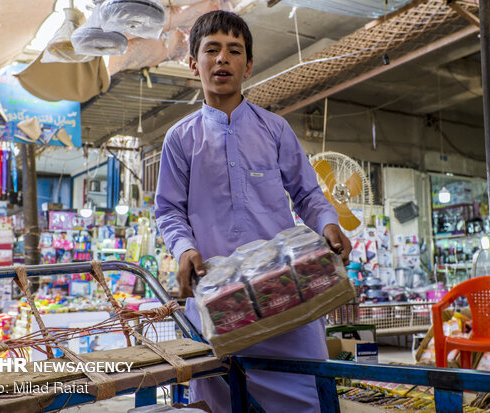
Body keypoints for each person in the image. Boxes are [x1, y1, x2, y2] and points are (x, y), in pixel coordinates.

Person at [154, 10, 351, 412]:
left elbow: (308, 194)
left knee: (307, 398)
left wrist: (329, 224)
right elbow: (169, 211)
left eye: (234, 50)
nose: (222, 59)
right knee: (220, 399)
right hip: (216, 303)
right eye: (212, 50)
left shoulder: (275, 129)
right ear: (194, 64)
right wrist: (184, 250)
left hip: (287, 294)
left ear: (249, 65)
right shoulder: (180, 138)